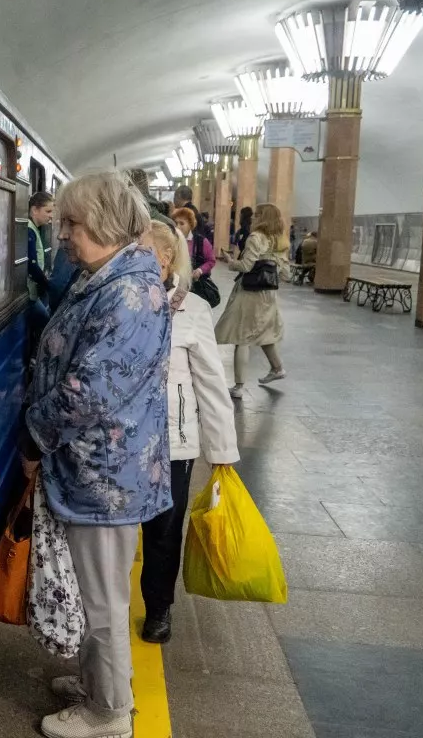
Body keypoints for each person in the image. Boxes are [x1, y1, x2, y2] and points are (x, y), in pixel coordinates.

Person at [18, 171, 171, 738]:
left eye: (72, 224)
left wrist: (34, 435)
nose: (62, 235)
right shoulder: (108, 277)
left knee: (102, 599)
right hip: (96, 466)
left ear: (105, 223)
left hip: (106, 475)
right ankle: (99, 682)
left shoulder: (128, 294)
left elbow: (91, 390)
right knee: (94, 590)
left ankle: (108, 714)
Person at [138, 222, 239, 642]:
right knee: (119, 531)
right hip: (125, 440)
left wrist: (222, 453)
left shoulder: (192, 309)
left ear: (166, 258)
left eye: (142, 251)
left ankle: (159, 607)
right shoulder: (120, 300)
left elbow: (212, 384)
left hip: (174, 442)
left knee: (164, 530)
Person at [215, 202, 290, 398]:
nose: (253, 218)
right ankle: (277, 368)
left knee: (242, 337)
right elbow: (286, 273)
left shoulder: (255, 237)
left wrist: (231, 262)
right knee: (265, 332)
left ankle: (239, 386)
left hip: (251, 292)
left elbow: (246, 266)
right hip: (269, 293)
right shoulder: (280, 240)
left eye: (257, 214)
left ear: (263, 218)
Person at [27, 191, 55, 339]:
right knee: (45, 322)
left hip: (32, 290)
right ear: (34, 210)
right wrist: (47, 284)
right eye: (48, 211)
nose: (51, 216)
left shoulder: (33, 229)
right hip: (29, 293)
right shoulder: (29, 230)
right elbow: (31, 265)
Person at [171, 207, 215, 282]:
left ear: (190, 225)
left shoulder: (201, 241)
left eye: (182, 223)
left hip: (195, 284)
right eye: (176, 223)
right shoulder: (170, 239)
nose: (177, 227)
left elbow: (211, 260)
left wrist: (200, 270)